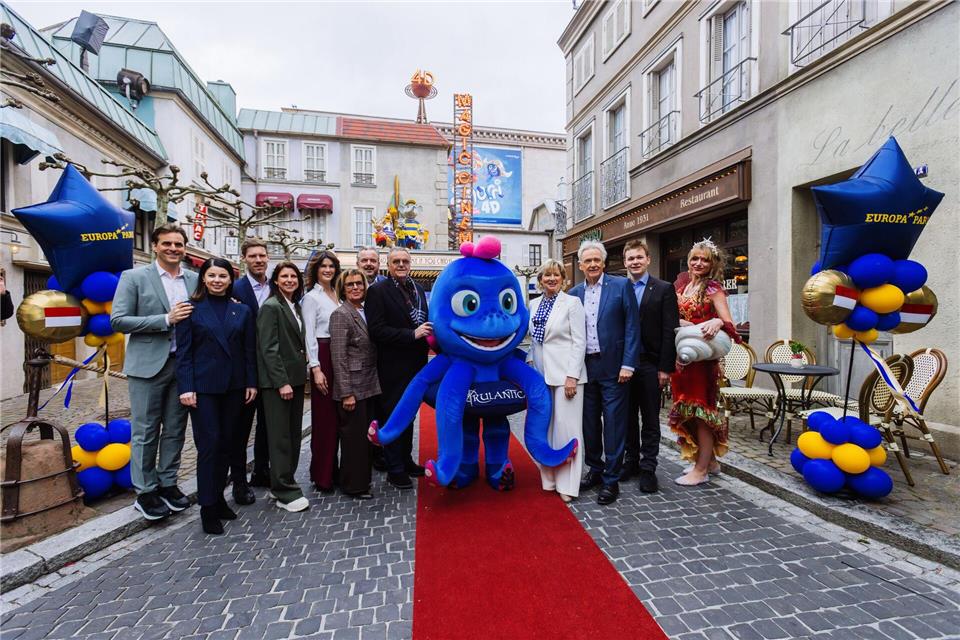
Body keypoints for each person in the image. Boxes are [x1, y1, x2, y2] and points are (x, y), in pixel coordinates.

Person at [111, 224, 198, 520]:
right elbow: (119, 320)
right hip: (148, 365)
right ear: (155, 247)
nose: (174, 248)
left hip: (184, 365)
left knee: (175, 429)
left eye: (178, 244)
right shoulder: (134, 277)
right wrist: (165, 318)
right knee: (146, 430)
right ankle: (145, 491)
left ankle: (168, 483)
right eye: (168, 244)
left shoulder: (194, 279)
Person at [175, 258, 257, 535]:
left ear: (230, 279)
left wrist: (251, 383)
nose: (217, 280)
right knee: (209, 446)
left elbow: (248, 352)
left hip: (235, 388)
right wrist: (186, 387)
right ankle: (207, 507)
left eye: (222, 275)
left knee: (229, 444)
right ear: (203, 278)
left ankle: (220, 499)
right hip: (204, 389)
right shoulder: (190, 309)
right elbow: (183, 354)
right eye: (212, 275)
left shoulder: (242, 311)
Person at [568, 240, 640, 505]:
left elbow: (633, 327)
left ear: (604, 262)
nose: (593, 264)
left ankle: (611, 479)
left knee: (613, 424)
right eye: (588, 261)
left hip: (614, 369)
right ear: (580, 265)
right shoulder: (574, 293)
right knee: (589, 424)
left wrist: (628, 364)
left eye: (597, 260)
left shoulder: (621, 286)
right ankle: (595, 470)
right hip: (586, 368)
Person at [670, 239, 741, 486]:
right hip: (682, 361)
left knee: (702, 414)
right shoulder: (681, 287)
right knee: (688, 412)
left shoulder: (713, 289)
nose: (699, 263)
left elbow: (728, 322)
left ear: (712, 264)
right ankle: (710, 462)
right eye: (695, 258)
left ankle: (701, 470)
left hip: (703, 363)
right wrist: (680, 323)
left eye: (704, 259)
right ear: (688, 261)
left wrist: (718, 322)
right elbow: (671, 318)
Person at [365, 246, 431, 489]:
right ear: (388, 265)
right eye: (396, 261)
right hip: (392, 365)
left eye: (405, 261)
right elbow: (376, 330)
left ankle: (406, 460)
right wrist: (411, 334)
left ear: (410, 263)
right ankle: (394, 469)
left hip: (416, 364)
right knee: (392, 414)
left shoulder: (418, 289)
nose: (401, 265)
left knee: (410, 414)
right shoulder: (378, 291)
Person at [621, 240, 680, 494]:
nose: (634, 262)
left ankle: (648, 469)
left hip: (650, 364)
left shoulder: (664, 289)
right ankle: (631, 462)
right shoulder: (619, 288)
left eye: (638, 257)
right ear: (625, 262)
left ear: (647, 260)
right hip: (624, 364)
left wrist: (665, 368)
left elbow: (670, 330)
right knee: (626, 418)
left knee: (650, 419)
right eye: (630, 258)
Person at [527, 260, 587, 503]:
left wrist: (572, 375)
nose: (551, 279)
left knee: (567, 430)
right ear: (540, 280)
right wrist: (531, 363)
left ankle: (569, 485)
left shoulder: (572, 303)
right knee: (547, 428)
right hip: (541, 375)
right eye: (546, 275)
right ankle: (549, 478)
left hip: (566, 377)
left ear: (563, 279)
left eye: (556, 275)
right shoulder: (533, 304)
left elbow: (579, 341)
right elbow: (534, 342)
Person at [256, 261, 309, 512]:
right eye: (284, 276)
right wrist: (282, 382)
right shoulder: (271, 307)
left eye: (293, 276)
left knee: (293, 434)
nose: (289, 280)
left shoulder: (295, 306)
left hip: (296, 380)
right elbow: (268, 348)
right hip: (280, 383)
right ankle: (282, 490)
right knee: (280, 437)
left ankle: (287, 481)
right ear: (275, 280)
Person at [330, 269, 379, 499]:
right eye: (350, 285)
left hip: (370, 383)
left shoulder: (365, 310)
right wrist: (346, 393)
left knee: (365, 437)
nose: (356, 288)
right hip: (353, 387)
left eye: (359, 283)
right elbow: (338, 357)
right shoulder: (341, 314)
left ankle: (362, 480)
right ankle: (354, 485)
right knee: (354, 440)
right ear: (343, 288)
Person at [229, 238, 271, 503]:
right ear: (244, 258)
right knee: (240, 429)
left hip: (270, 369)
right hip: (244, 369)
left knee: (268, 425)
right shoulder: (235, 288)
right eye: (253, 256)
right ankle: (239, 482)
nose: (258, 260)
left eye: (262, 255)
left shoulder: (276, 287)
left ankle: (262, 470)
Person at [301, 250, 341, 492]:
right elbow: (309, 336)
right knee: (324, 420)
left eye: (331, 266)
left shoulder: (337, 293)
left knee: (337, 419)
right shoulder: (311, 298)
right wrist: (315, 368)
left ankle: (334, 470)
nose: (328, 270)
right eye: (323, 266)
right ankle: (322, 475)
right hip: (323, 356)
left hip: (339, 356)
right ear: (315, 269)